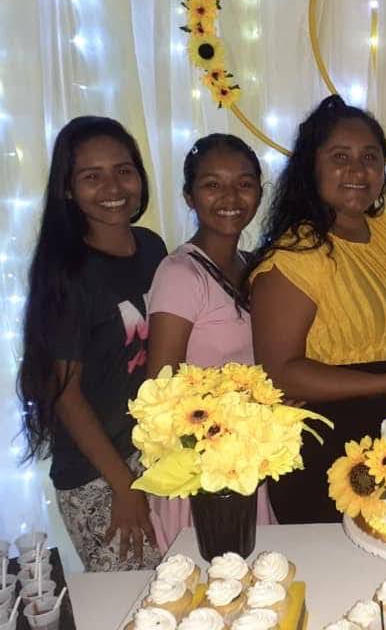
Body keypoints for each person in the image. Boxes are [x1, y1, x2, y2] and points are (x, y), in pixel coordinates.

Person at [248, 95, 386, 523]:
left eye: (370, 157)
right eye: (340, 157)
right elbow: (279, 373)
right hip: (327, 450)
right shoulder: (297, 252)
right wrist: (382, 383)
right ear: (311, 167)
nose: (358, 171)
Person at [17, 116, 166, 571]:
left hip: (152, 456)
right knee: (139, 600)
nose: (112, 187)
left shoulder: (152, 248)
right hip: (98, 475)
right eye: (91, 176)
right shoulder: (69, 274)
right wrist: (124, 485)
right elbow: (66, 396)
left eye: (123, 170)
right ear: (67, 189)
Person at [146, 133, 273, 551]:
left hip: (245, 459)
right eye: (212, 184)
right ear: (189, 195)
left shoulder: (252, 265)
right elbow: (160, 391)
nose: (230, 197)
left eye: (244, 183)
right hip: (199, 473)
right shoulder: (180, 274)